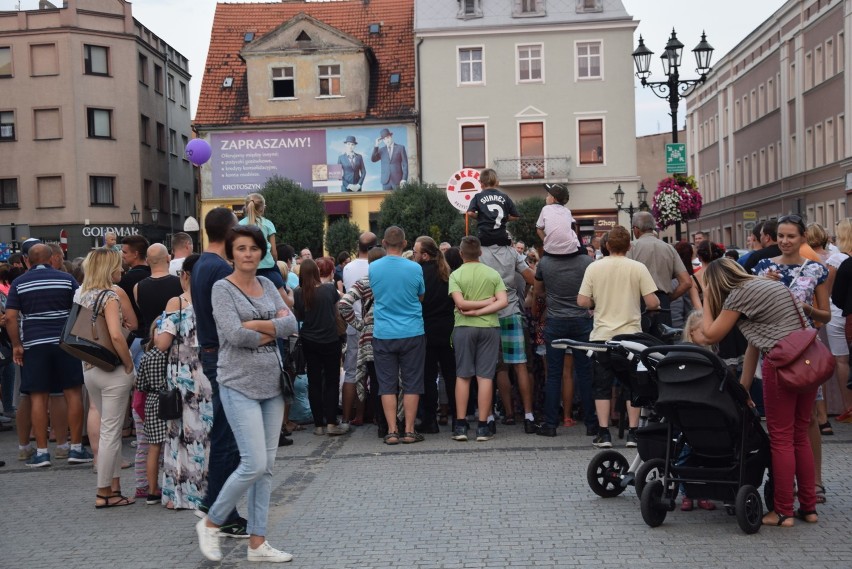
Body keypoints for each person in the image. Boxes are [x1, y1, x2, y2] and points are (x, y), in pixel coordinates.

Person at [196, 225, 297, 563]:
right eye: (241, 248)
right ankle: (212, 521)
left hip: (271, 383)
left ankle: (257, 543)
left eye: (253, 248)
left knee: (266, 467)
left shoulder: (268, 284)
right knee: (252, 463)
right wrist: (270, 327)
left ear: (260, 252)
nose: (248, 254)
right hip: (238, 382)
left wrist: (255, 326)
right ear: (231, 253)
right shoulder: (222, 288)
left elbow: (291, 324)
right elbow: (233, 335)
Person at [700, 257, 820, 527]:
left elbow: (709, 335)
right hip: (810, 361)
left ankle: (782, 511)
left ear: (716, 284)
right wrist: (743, 389)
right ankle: (809, 509)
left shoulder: (738, 296)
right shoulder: (767, 287)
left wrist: (707, 297)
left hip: (783, 367)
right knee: (799, 436)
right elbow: (755, 343)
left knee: (780, 439)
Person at [6, 243, 93, 468]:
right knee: (72, 393)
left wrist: (17, 344)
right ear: (52, 258)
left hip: (34, 345)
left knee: (38, 397)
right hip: (64, 343)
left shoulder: (18, 283)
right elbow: (80, 308)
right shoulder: (65, 279)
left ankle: (42, 453)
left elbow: (11, 317)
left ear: (28, 260)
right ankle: (75, 448)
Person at [191, 207, 247, 536]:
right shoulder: (217, 269)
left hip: (211, 351)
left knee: (227, 431)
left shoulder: (202, 264)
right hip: (221, 354)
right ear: (227, 233)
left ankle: (215, 502)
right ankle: (220, 508)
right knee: (228, 435)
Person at [467, 168, 537, 433]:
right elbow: (530, 278)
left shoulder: (478, 254)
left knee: (496, 369)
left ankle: (501, 415)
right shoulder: (511, 251)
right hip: (511, 310)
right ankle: (528, 416)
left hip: (487, 315)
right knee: (519, 365)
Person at [577, 226, 660, 448]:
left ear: (607, 246)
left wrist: (597, 302)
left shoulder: (594, 268)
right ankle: (633, 433)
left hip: (602, 336)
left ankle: (604, 433)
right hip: (631, 337)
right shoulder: (638, 268)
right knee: (633, 384)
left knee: (601, 385)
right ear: (629, 246)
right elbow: (653, 302)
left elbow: (582, 301)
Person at [73, 249, 136, 506]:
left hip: (90, 368)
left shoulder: (83, 293)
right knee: (112, 432)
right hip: (112, 369)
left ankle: (115, 489)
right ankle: (103, 493)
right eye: (119, 266)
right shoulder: (109, 295)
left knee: (109, 429)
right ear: (109, 268)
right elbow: (116, 335)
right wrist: (129, 363)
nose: (122, 269)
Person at [155, 254, 212, 510]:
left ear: (185, 275)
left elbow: (162, 343)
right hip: (207, 373)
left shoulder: (176, 303)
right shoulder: (212, 300)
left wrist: (158, 326)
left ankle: (179, 494)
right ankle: (208, 491)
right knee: (205, 433)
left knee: (180, 433)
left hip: (182, 376)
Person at [533, 233, 595, 437]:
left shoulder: (545, 263)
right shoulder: (586, 261)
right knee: (585, 373)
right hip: (581, 319)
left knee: (554, 374)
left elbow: (539, 291)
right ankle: (592, 424)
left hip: (556, 320)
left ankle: (550, 424)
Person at [369, 226, 426, 444]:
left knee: (387, 384)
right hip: (412, 331)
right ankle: (409, 430)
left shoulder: (374, 268)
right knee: (412, 383)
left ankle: (392, 430)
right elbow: (420, 296)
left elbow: (376, 294)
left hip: (384, 332)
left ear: (383, 243)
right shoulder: (415, 268)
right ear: (404, 244)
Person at [448, 236, 507, 442]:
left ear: (461, 254)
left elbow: (460, 303)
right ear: (480, 253)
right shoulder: (492, 274)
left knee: (463, 376)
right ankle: (483, 426)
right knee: (485, 377)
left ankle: (461, 425)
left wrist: (471, 310)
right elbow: (503, 302)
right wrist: (487, 302)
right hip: (489, 327)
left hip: (463, 327)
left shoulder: (455, 275)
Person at [293, 258, 347, 436]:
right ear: (316, 273)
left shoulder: (298, 293)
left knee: (314, 382)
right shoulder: (329, 289)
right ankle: (331, 422)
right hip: (330, 339)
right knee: (331, 381)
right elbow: (336, 312)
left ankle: (318, 425)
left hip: (309, 340)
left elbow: (299, 316)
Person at [338, 247, 387, 436]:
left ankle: (377, 422)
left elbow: (344, 303)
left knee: (372, 378)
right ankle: (390, 421)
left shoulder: (365, 281)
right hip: (390, 332)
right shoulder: (389, 281)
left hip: (368, 335)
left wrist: (358, 324)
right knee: (389, 378)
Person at [413, 236, 457, 433]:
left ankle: (429, 420)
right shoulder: (449, 273)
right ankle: (459, 418)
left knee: (428, 378)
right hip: (448, 329)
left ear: (424, 254)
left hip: (426, 330)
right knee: (452, 376)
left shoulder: (418, 274)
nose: (414, 256)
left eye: (415, 252)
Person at [627, 211, 691, 327]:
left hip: (639, 303)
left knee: (640, 343)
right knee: (663, 342)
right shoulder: (669, 248)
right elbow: (686, 282)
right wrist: (669, 298)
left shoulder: (631, 248)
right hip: (663, 303)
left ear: (636, 229)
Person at [341, 232, 377, 427]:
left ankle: (350, 416)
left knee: (352, 371)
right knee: (378, 370)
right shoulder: (377, 266)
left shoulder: (348, 267)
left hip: (354, 323)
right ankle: (376, 413)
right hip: (376, 324)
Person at [827, 219, 852, 422]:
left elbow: (833, 293)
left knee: (843, 359)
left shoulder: (841, 261)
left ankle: (849, 407)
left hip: (844, 314)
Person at [239, 193, 285, 291]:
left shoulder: (239, 225)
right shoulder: (268, 224)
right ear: (263, 208)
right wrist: (275, 263)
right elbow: (274, 251)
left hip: (248, 267)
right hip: (268, 266)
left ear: (246, 207)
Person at [118, 234, 151, 365]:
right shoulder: (153, 275)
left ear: (136, 254)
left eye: (125, 252)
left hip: (133, 337)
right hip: (153, 337)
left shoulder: (125, 280)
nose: (122, 255)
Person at [536, 184, 580, 256]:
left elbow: (539, 229)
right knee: (584, 252)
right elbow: (573, 227)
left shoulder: (546, 209)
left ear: (553, 199)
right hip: (570, 249)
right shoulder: (567, 211)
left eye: (548, 195)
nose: (546, 198)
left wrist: (546, 242)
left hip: (551, 249)